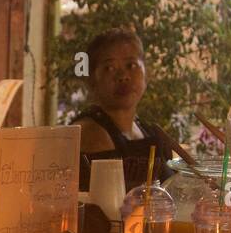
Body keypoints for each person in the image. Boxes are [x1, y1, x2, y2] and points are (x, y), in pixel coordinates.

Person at [73, 28, 174, 185]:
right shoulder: (90, 133)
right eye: (109, 68)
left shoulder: (148, 130)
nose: (123, 76)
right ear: (91, 79)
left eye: (131, 65)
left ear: (147, 73)